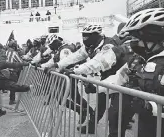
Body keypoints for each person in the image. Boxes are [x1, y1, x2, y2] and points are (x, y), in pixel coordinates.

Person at [47, 24, 122, 134]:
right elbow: (75, 56)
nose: (85, 39)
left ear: (97, 35)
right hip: (107, 79)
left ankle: (116, 124)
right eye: (84, 36)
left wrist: (75, 70)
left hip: (119, 79)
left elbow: (97, 63)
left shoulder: (108, 45)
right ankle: (92, 126)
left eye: (87, 36)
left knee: (115, 112)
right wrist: (58, 65)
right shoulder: (90, 46)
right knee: (101, 104)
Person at [108, 8, 164, 137]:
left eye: (138, 38)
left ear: (154, 38)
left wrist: (151, 107)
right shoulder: (140, 59)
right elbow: (118, 79)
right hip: (147, 126)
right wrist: (95, 86)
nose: (135, 43)